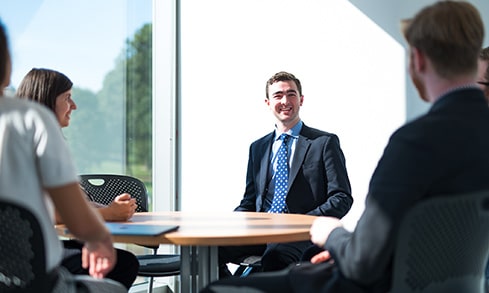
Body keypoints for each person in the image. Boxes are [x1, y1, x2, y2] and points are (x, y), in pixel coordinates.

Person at [203, 1, 489, 292]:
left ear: (417, 60)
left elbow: (363, 261)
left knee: (213, 290)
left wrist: (332, 235)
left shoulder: (414, 143)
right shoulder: (475, 134)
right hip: (443, 283)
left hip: (365, 284)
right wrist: (345, 246)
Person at [0, 20, 125, 292]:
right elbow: (71, 216)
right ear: (6, 64)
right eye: (68, 97)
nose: (74, 106)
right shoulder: (31, 121)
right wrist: (98, 237)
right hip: (37, 284)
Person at [218, 71, 353, 277]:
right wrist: (234, 223)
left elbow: (342, 197)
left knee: (275, 258)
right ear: (267, 103)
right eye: (278, 96)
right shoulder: (258, 148)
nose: (285, 101)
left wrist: (302, 223)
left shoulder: (324, 143)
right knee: (210, 250)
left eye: (291, 94)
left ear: (301, 99)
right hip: (260, 231)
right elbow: (250, 200)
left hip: (300, 235)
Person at [16, 68, 140, 290]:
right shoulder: (37, 147)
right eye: (67, 98)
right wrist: (108, 213)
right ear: (46, 101)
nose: (74, 106)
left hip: (20, 255)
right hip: (32, 258)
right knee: (124, 263)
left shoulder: (21, 143)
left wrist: (108, 208)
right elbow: (53, 212)